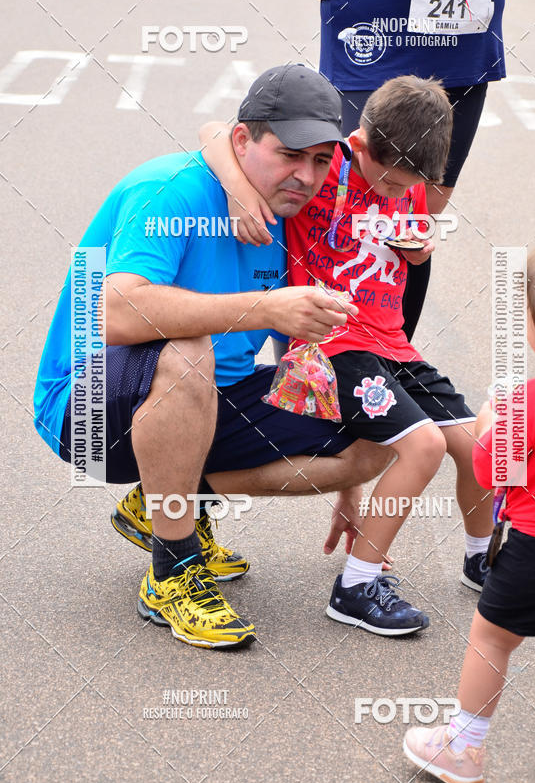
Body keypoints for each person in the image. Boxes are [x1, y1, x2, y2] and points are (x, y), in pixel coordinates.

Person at [33, 64, 391, 651]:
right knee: (189, 354)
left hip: (200, 400)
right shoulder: (171, 189)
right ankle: (171, 569)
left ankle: (163, 499)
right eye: (290, 154)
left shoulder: (287, 205)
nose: (305, 175)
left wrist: (349, 485)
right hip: (90, 407)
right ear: (245, 140)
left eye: (320, 160)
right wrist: (266, 308)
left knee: (371, 429)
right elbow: (117, 314)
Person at [196, 74, 495, 636]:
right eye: (387, 181)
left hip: (393, 345)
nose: (392, 193)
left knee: (476, 443)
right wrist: (239, 190)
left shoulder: (407, 184)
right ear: (357, 145)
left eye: (406, 185)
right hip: (335, 343)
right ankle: (355, 586)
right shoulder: (326, 164)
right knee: (422, 444)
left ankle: (481, 559)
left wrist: (416, 245)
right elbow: (215, 132)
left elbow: (404, 228)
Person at [237, 0, 535, 342]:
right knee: (337, 203)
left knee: (411, 216)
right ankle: (310, 377)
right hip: (372, 25)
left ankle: (390, 366)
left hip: (462, 25)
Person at [403, 231, 535, 783]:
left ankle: (463, 748)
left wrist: (492, 417)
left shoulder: (529, 399)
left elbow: (492, 474)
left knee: (491, 641)